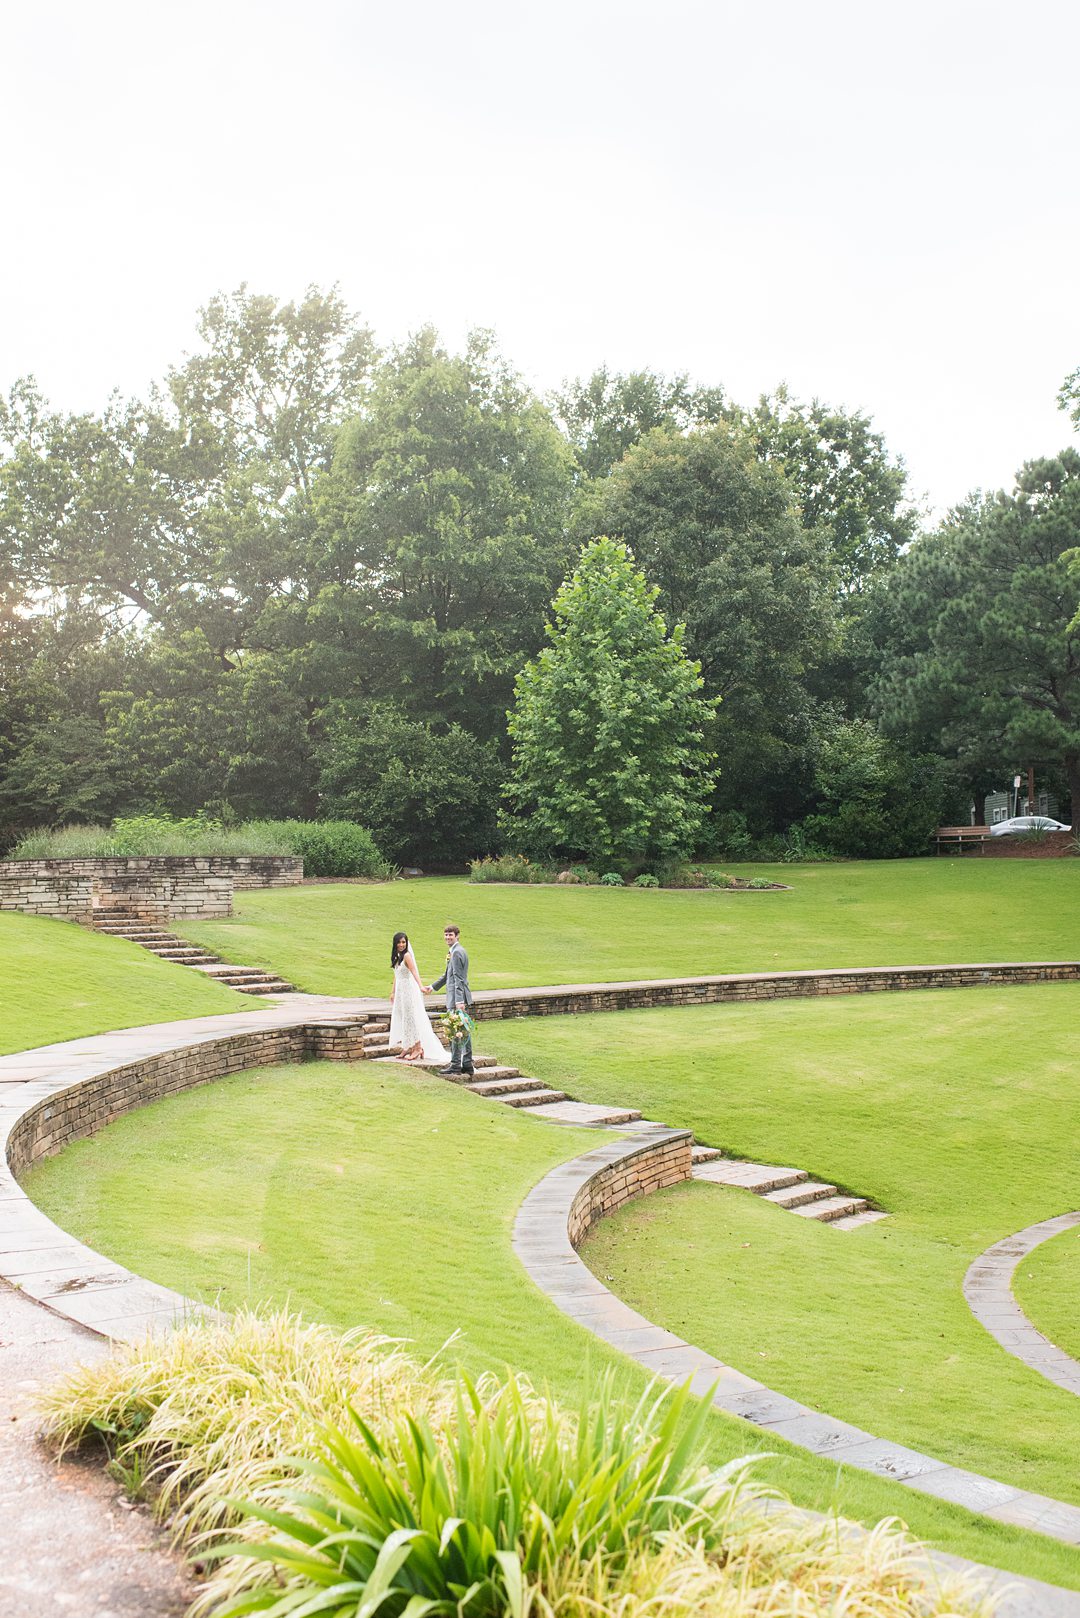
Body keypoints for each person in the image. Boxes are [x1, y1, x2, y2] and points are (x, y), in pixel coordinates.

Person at [388, 932, 447, 1065]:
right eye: (399, 942)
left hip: (408, 990)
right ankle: (408, 1046)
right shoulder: (397, 956)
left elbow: (414, 971)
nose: (402, 945)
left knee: (411, 1018)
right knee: (403, 1017)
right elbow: (396, 975)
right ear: (395, 943)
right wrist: (392, 992)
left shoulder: (407, 956)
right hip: (400, 991)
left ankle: (418, 1047)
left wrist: (421, 986)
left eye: (404, 942)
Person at [426, 924, 474, 1076]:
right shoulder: (454, 952)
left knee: (456, 1031)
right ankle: (467, 1064)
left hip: (456, 999)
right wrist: (432, 987)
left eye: (450, 935)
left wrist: (459, 1001)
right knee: (464, 1030)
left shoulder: (457, 953)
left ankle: (455, 1065)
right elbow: (448, 975)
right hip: (457, 997)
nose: (447, 937)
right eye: (446, 935)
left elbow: (459, 979)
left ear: (457, 936)